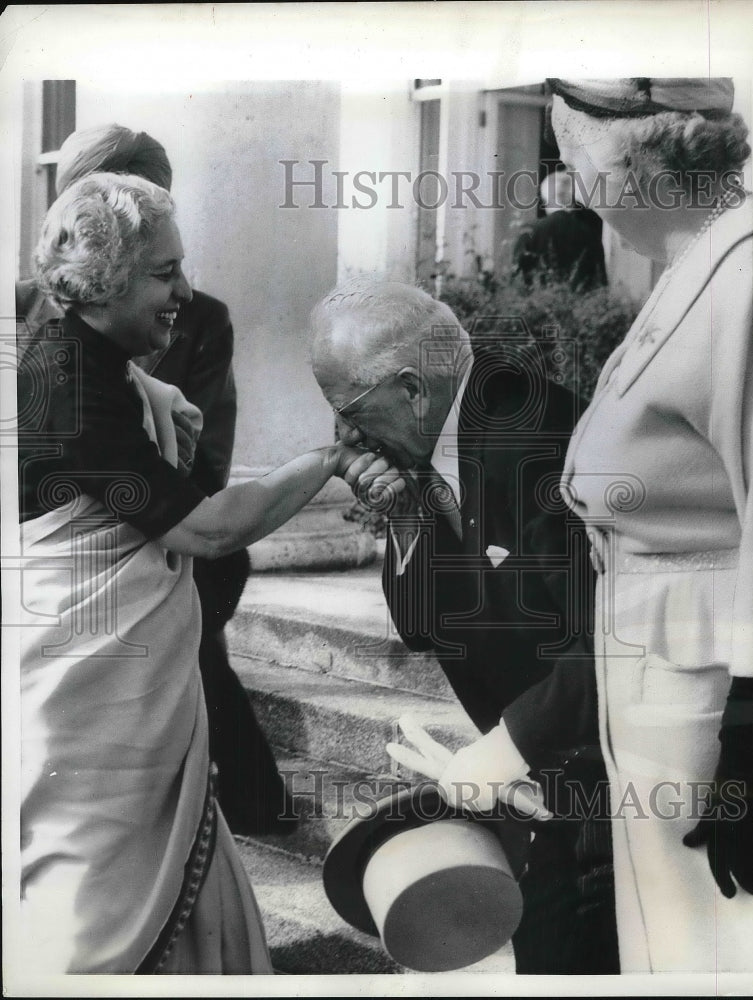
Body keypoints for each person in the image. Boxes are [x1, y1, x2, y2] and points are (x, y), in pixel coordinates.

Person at [17, 172, 402, 973]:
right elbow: (205, 529)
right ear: (105, 278)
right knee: (88, 920)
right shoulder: (72, 381)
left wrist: (162, 400)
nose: (184, 292)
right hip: (91, 710)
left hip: (125, 701)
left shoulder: (96, 362)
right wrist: (329, 458)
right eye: (164, 273)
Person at [310, 277, 619, 974]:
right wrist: (407, 521)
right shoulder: (443, 436)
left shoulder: (538, 444)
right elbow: (424, 629)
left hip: (611, 786)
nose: (345, 438)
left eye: (350, 412)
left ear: (414, 390)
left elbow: (612, 641)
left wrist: (507, 747)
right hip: (548, 783)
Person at [15, 123, 285, 837]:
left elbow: (206, 459)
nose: (180, 284)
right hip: (93, 571)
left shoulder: (198, 320)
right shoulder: (32, 328)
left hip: (165, 541)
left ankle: (248, 808)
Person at [545, 77, 753, 972]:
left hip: (710, 695)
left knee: (720, 945)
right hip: (669, 667)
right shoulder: (706, 262)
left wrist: (752, 737)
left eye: (571, 159)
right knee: (670, 939)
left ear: (626, 159)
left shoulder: (752, 276)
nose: (570, 185)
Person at [513, 168, 607, 290]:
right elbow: (600, 284)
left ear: (546, 200)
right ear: (572, 199)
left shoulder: (529, 232)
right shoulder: (590, 234)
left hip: (536, 305)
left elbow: (517, 281)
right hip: (580, 306)